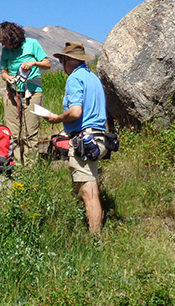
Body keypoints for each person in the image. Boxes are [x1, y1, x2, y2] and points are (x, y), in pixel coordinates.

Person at [44, 41, 108, 239]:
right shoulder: (93, 78)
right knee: (81, 187)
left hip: (84, 140)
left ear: (69, 60)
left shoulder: (74, 79)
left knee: (90, 194)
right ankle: (74, 221)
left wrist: (57, 118)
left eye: (63, 59)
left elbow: (75, 111)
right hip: (100, 138)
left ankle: (95, 240)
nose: (62, 63)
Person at [0, 21, 51, 165]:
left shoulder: (32, 44)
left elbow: (47, 64)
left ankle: (31, 169)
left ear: (12, 37)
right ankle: (16, 166)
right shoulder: (5, 51)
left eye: (4, 41)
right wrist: (6, 77)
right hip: (12, 94)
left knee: (31, 133)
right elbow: (4, 70)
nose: (3, 45)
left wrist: (33, 63)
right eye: (0, 42)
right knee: (13, 133)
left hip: (33, 92)